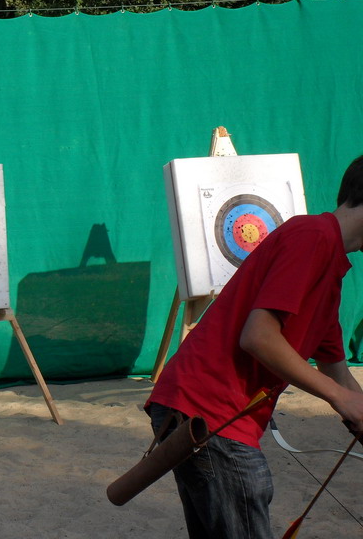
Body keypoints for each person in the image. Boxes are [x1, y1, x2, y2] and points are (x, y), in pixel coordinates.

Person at [147, 155, 363, 538]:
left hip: (206, 411)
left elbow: (336, 370)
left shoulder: (330, 267)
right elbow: (259, 337)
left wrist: (355, 404)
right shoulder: (312, 235)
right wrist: (340, 399)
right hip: (207, 412)